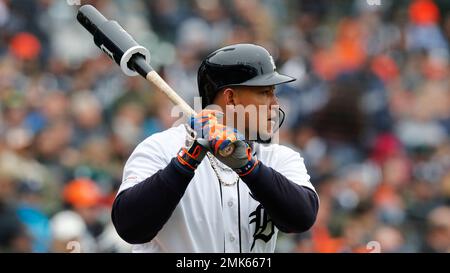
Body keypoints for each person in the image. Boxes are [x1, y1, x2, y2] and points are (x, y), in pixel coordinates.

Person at [111, 43, 319, 253]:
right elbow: (129, 227)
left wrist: (249, 167)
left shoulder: (279, 157)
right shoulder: (160, 148)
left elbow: (302, 218)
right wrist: (186, 162)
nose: (275, 104)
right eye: (265, 92)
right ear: (230, 98)